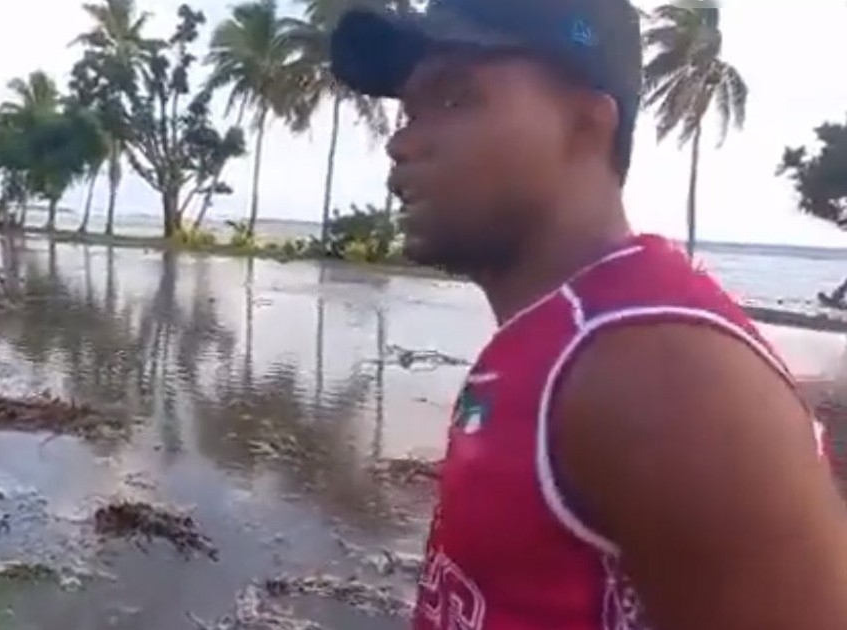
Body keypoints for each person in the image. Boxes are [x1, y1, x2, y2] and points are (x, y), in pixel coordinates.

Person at [329, 0, 847, 629]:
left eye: (457, 98)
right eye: (410, 110)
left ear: (585, 125)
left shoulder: (662, 373)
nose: (401, 141)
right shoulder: (562, 337)